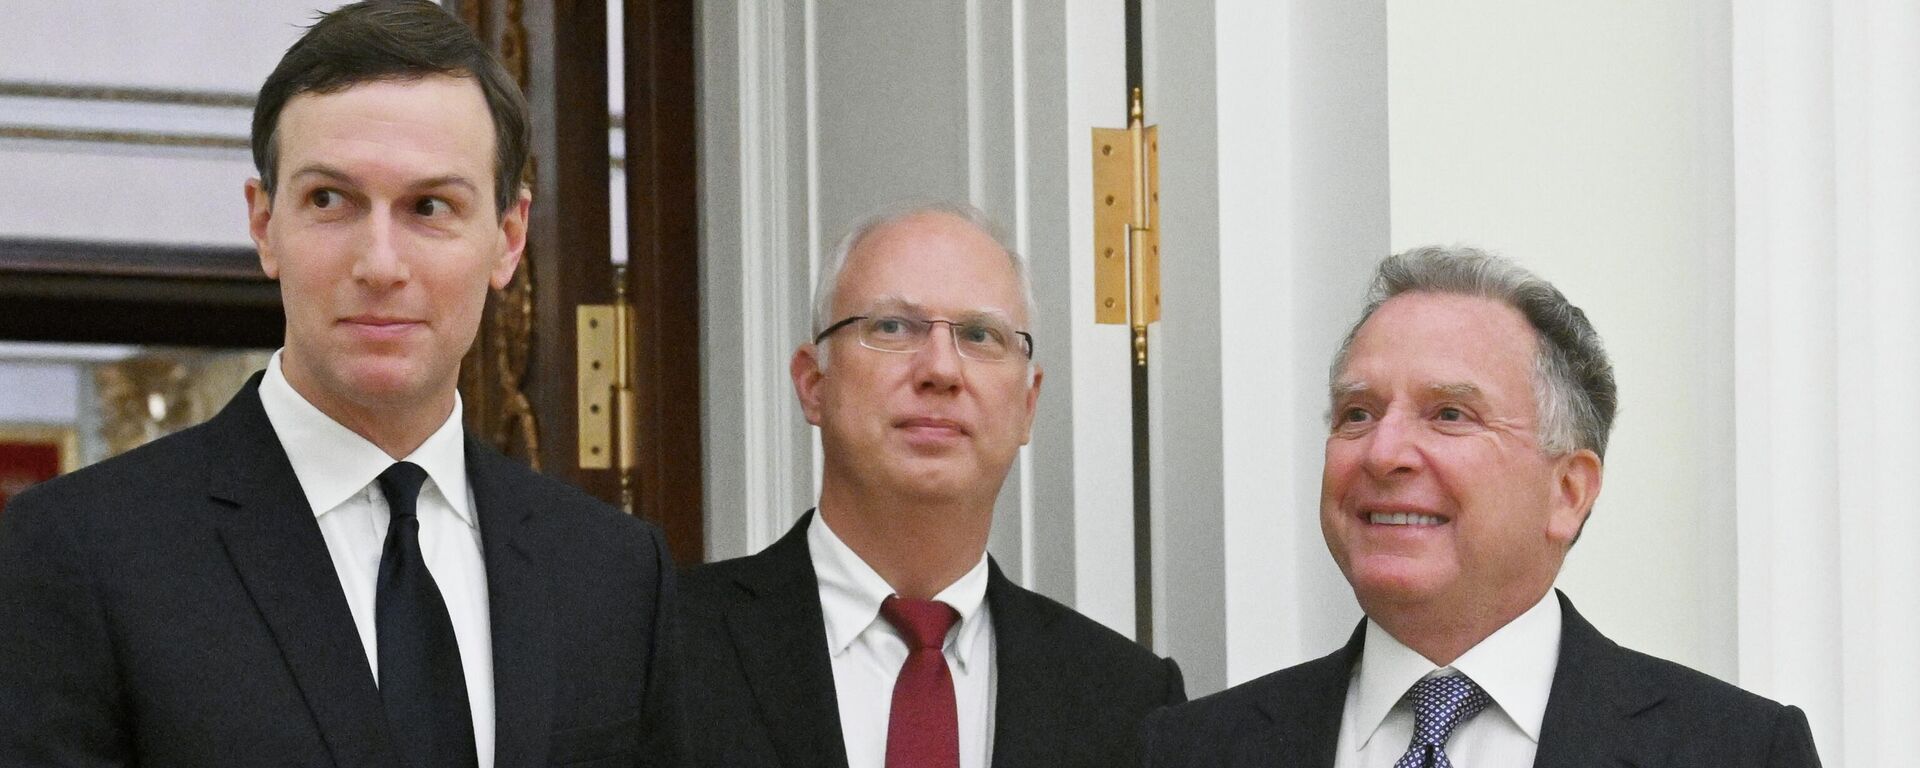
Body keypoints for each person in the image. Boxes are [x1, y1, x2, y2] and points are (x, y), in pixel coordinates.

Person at [0, 3, 680, 766]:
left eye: (430, 207)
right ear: (264, 225)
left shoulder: (615, 574)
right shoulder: (81, 553)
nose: (380, 264)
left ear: (509, 239)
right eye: (331, 200)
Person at [1142, 246, 1821, 767]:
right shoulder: (1191, 750)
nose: (1383, 453)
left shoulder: (1737, 751)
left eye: (1448, 414)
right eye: (1357, 413)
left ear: (1569, 491)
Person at [680, 202, 1185, 768]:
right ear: (813, 383)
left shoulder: (1129, 700)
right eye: (892, 327)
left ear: (1027, 404)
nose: (941, 369)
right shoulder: (667, 646)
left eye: (979, 334)